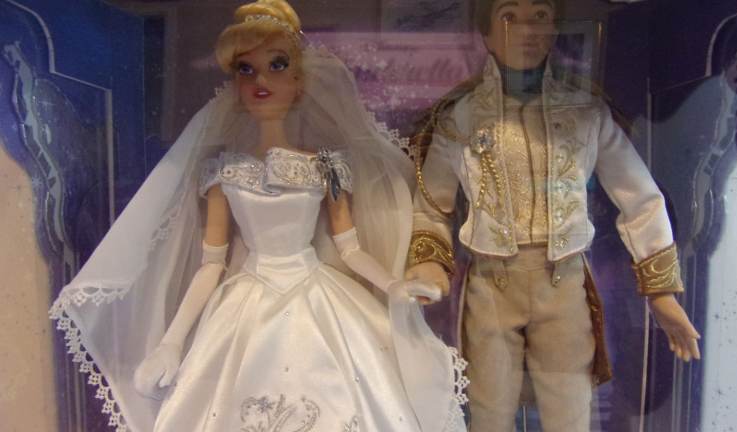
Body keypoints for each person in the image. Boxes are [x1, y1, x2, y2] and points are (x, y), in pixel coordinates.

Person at [50, 1, 467, 431]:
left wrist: (394, 286)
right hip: (247, 298)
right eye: (245, 70)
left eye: (277, 65)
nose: (260, 81)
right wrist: (171, 343)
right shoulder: (224, 171)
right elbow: (211, 264)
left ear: (298, 81)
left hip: (316, 293)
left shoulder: (326, 165)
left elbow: (350, 248)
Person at [405, 0, 700, 430]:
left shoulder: (585, 114)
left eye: (540, 16)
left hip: (563, 285)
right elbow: (432, 205)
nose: (527, 30)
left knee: (570, 408)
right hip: (491, 286)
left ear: (555, 29)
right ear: (486, 34)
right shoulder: (461, 118)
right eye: (509, 16)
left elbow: (640, 198)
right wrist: (430, 263)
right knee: (489, 409)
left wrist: (661, 292)